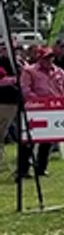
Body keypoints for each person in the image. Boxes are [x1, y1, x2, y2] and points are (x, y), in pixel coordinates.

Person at [18, 46, 64, 179]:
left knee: (47, 141)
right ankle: (23, 169)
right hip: (34, 110)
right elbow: (25, 89)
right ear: (39, 58)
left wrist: (62, 100)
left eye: (51, 57)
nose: (49, 60)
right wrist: (39, 102)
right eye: (46, 57)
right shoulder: (29, 71)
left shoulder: (59, 71)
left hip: (53, 110)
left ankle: (41, 168)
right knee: (28, 140)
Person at [0, 43, 17, 174]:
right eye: (4, 48)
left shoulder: (17, 63)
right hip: (2, 101)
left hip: (13, 103)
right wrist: (13, 80)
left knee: (3, 132)